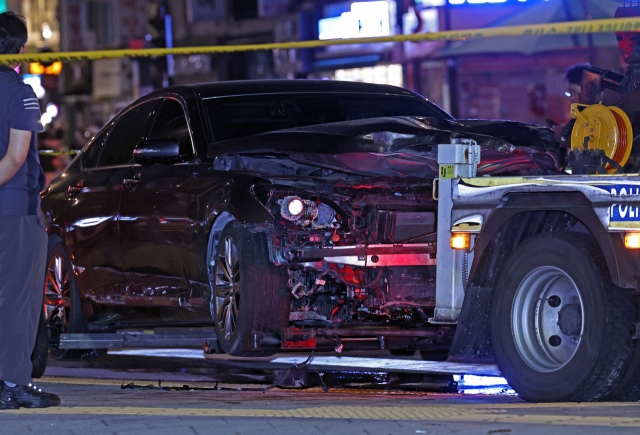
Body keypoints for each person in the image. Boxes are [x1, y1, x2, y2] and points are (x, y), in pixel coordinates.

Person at [0, 11, 60, 409]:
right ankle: (12, 383)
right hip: (14, 210)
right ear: (21, 48)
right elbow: (16, 157)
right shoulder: (19, 91)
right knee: (17, 300)